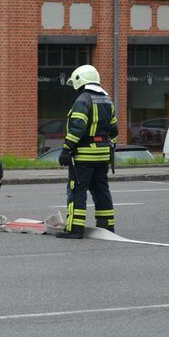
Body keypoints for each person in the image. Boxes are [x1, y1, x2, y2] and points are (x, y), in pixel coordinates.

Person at [56, 64, 117, 239]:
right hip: (102, 156)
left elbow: (77, 127)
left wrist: (66, 149)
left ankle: (75, 229)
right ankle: (107, 227)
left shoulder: (83, 99)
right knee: (101, 191)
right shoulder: (107, 100)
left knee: (77, 191)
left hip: (83, 156)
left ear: (79, 80)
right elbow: (114, 131)